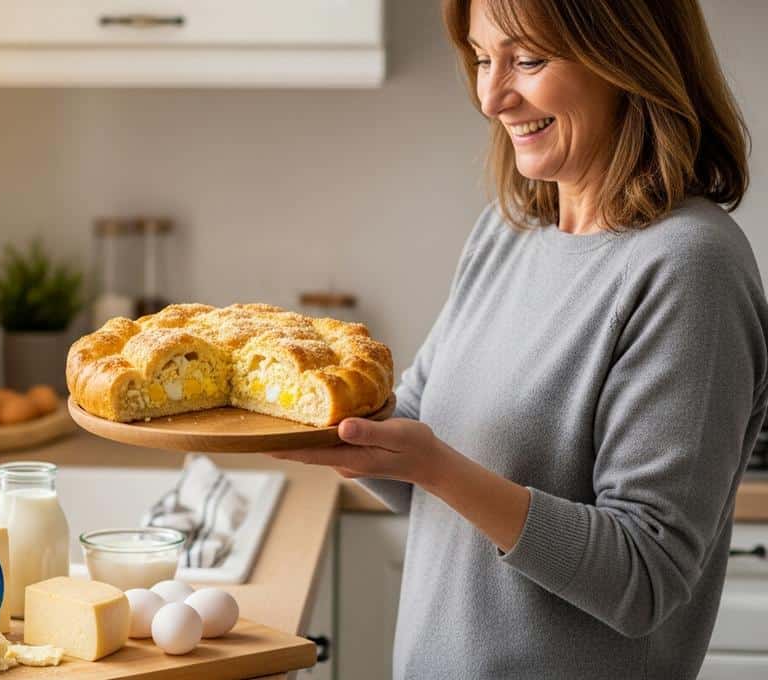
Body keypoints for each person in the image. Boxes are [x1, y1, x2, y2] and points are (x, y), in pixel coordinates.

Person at [271, 1, 768, 677]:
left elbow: (646, 575)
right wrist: (291, 419)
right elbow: (410, 439)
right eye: (482, 59)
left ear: (627, 57)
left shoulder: (689, 267)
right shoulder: (508, 233)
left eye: (528, 59)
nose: (492, 96)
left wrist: (436, 466)